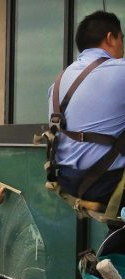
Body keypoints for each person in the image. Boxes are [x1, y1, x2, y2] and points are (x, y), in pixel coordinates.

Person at [48, 11, 125, 205]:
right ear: (110, 38)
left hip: (68, 179)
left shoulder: (58, 81)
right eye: (122, 39)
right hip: (107, 183)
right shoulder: (119, 70)